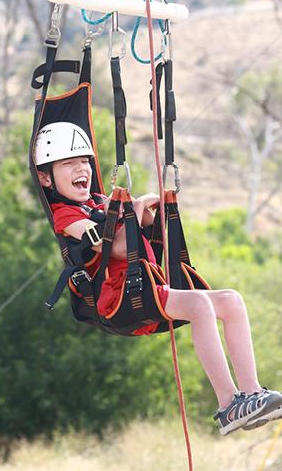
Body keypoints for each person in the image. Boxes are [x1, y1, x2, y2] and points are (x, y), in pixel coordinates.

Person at [33, 121, 282, 436]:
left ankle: (251, 393)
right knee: (200, 306)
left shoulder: (98, 201)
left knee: (231, 301)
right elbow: (120, 248)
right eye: (69, 163)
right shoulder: (67, 216)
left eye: (84, 161)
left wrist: (155, 210)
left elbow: (145, 230)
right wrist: (134, 207)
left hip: (147, 286)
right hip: (121, 297)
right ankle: (227, 404)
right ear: (45, 177)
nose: (81, 168)